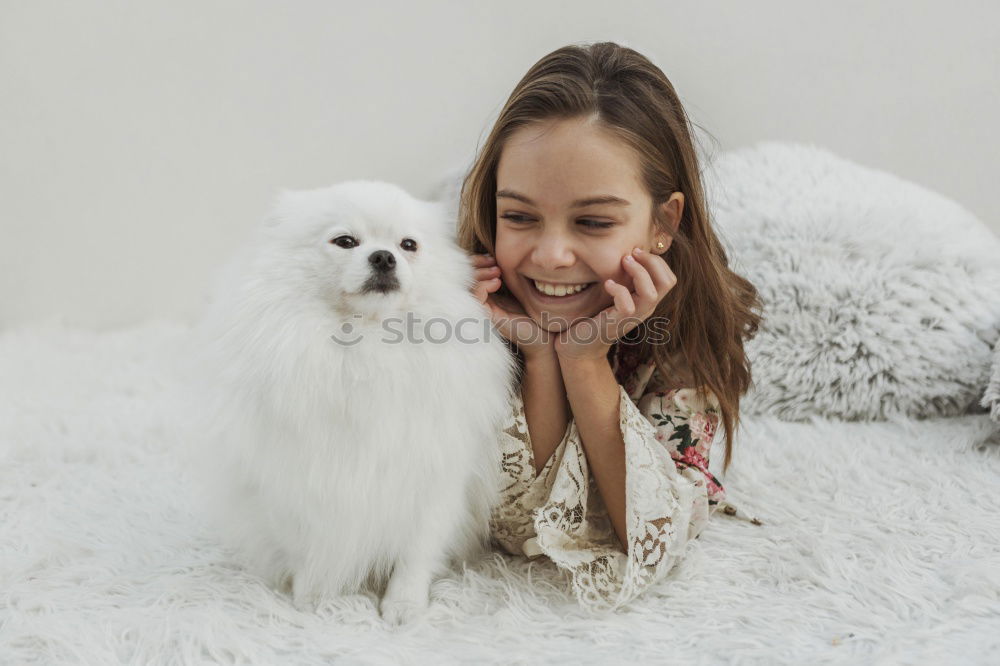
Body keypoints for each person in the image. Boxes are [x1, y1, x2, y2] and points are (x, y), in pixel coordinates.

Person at [457, 41, 765, 613]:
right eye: (519, 216)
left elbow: (647, 534)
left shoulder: (684, 335)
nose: (550, 256)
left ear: (662, 224)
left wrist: (581, 360)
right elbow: (515, 523)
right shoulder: (463, 308)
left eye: (593, 222)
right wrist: (540, 358)